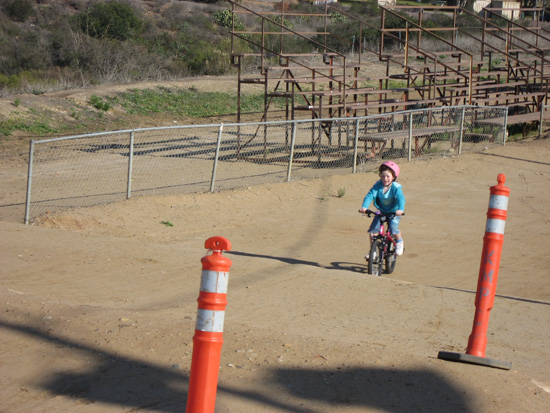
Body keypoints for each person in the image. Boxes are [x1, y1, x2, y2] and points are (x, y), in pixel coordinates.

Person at [358, 161, 406, 257]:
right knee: (373, 231)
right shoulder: (378, 185)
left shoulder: (395, 187)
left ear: (393, 177)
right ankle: (373, 251)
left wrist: (400, 209)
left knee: (393, 228)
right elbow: (370, 195)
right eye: (383, 176)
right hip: (381, 211)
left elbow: (401, 198)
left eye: (388, 176)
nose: (385, 179)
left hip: (394, 212)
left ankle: (399, 241)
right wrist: (364, 207)